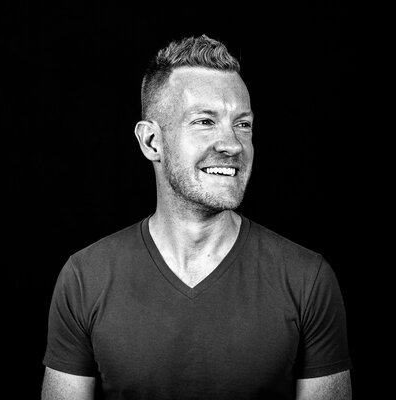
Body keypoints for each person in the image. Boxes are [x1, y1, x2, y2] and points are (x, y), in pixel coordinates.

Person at [41, 34, 352, 400]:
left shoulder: (308, 280)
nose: (232, 144)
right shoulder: (84, 278)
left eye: (243, 124)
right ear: (151, 142)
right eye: (205, 121)